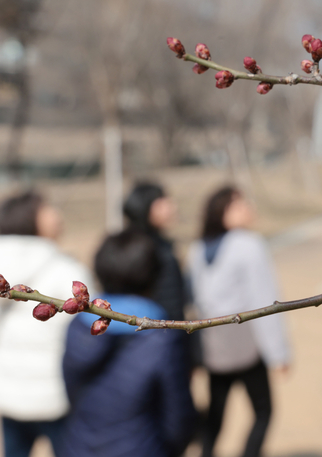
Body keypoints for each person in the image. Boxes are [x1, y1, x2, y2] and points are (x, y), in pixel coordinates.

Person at [0, 191, 95, 457]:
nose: (58, 215)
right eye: (48, 209)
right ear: (31, 219)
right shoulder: (66, 270)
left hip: (8, 390)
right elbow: (85, 333)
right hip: (56, 392)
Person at [60, 229, 198, 457]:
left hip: (79, 445)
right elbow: (178, 417)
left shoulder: (78, 326)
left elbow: (71, 392)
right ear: (154, 276)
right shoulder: (161, 337)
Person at [188, 186, 290, 457]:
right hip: (244, 343)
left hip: (214, 343)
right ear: (222, 212)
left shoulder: (198, 248)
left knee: (216, 414)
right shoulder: (249, 244)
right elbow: (264, 302)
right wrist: (278, 353)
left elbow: (197, 299)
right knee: (263, 410)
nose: (248, 208)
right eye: (239, 204)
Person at [123, 182, 186, 321]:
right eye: (163, 202)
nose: (172, 207)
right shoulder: (138, 249)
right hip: (156, 328)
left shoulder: (159, 244)